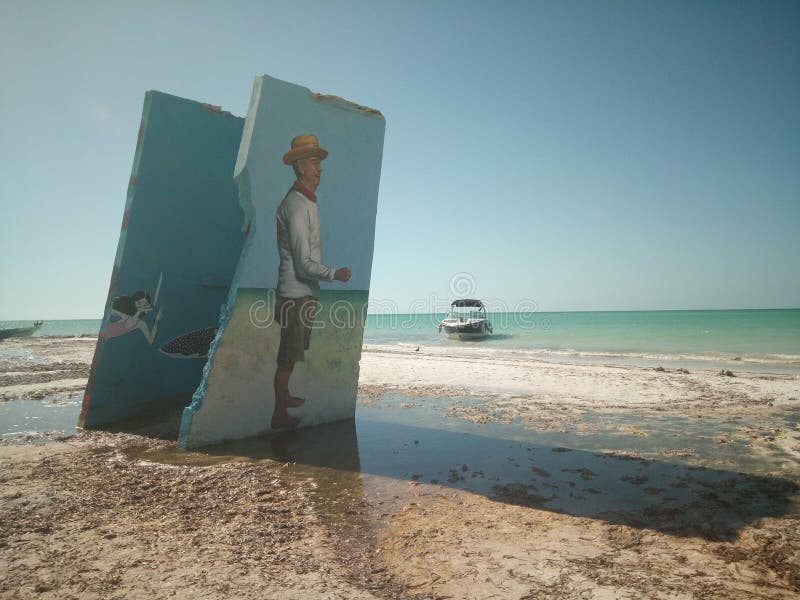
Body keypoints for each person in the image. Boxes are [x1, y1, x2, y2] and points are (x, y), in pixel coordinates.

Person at [272, 134, 351, 429]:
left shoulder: (307, 201)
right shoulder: (296, 205)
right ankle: (279, 413)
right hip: (295, 293)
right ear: (301, 166)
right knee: (286, 357)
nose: (320, 169)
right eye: (315, 163)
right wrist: (336, 274)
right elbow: (304, 264)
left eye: (320, 163)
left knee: (291, 355)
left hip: (302, 293)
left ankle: (285, 397)